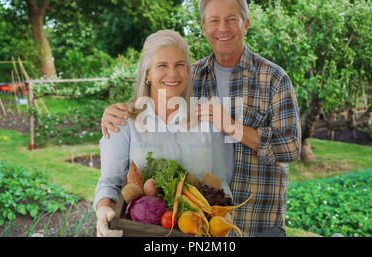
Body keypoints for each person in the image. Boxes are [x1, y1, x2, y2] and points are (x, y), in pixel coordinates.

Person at [100, 0, 301, 237]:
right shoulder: (191, 75)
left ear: (245, 24)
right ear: (204, 27)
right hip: (200, 226)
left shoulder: (274, 78)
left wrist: (232, 127)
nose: (223, 28)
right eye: (214, 20)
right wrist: (115, 113)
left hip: (258, 220)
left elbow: (291, 148)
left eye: (232, 19)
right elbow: (158, 92)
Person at [94, 29, 233, 237]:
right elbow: (110, 184)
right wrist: (104, 211)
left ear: (187, 71)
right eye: (162, 65)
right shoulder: (123, 122)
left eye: (180, 65)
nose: (173, 74)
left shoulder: (209, 121)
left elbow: (221, 182)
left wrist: (224, 223)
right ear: (147, 73)